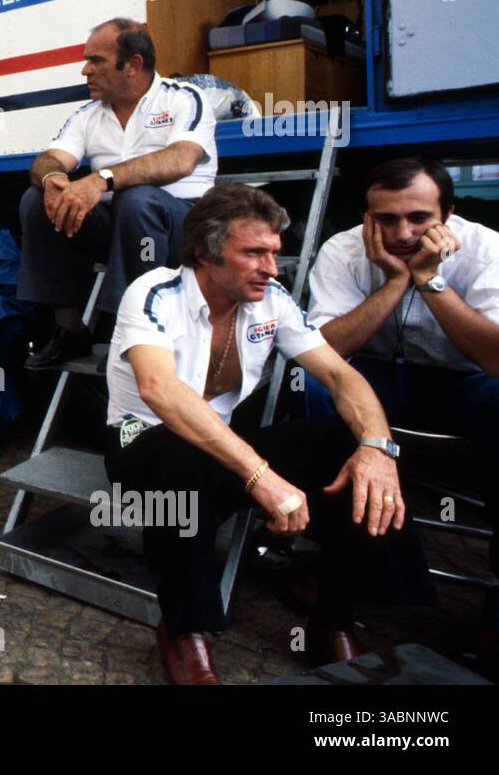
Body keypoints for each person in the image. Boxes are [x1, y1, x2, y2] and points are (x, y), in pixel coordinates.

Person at [105, 183, 434, 684]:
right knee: (182, 459)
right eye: (253, 253)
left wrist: (377, 447)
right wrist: (263, 478)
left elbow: (341, 376)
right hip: (142, 443)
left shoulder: (270, 300)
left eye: (274, 253)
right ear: (206, 252)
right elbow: (160, 391)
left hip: (221, 449)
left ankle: (333, 617)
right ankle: (184, 629)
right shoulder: (154, 292)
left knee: (340, 443)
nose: (272, 268)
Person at [304, 156, 499, 647]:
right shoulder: (342, 250)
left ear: (448, 215)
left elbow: (495, 359)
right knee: (314, 386)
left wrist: (429, 280)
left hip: (463, 382)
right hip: (373, 379)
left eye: (419, 219)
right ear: (367, 216)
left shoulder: (486, 249)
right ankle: (335, 602)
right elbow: (325, 351)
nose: (403, 232)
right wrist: (395, 281)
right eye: (385, 219)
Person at [18, 17, 218, 368]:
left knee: (136, 198)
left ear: (133, 65)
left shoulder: (184, 98)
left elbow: (182, 159)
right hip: (120, 224)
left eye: (96, 61)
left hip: (182, 224)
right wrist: (51, 179)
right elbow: (49, 159)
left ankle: (133, 334)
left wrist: (101, 179)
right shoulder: (88, 114)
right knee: (37, 200)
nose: (85, 71)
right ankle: (70, 331)